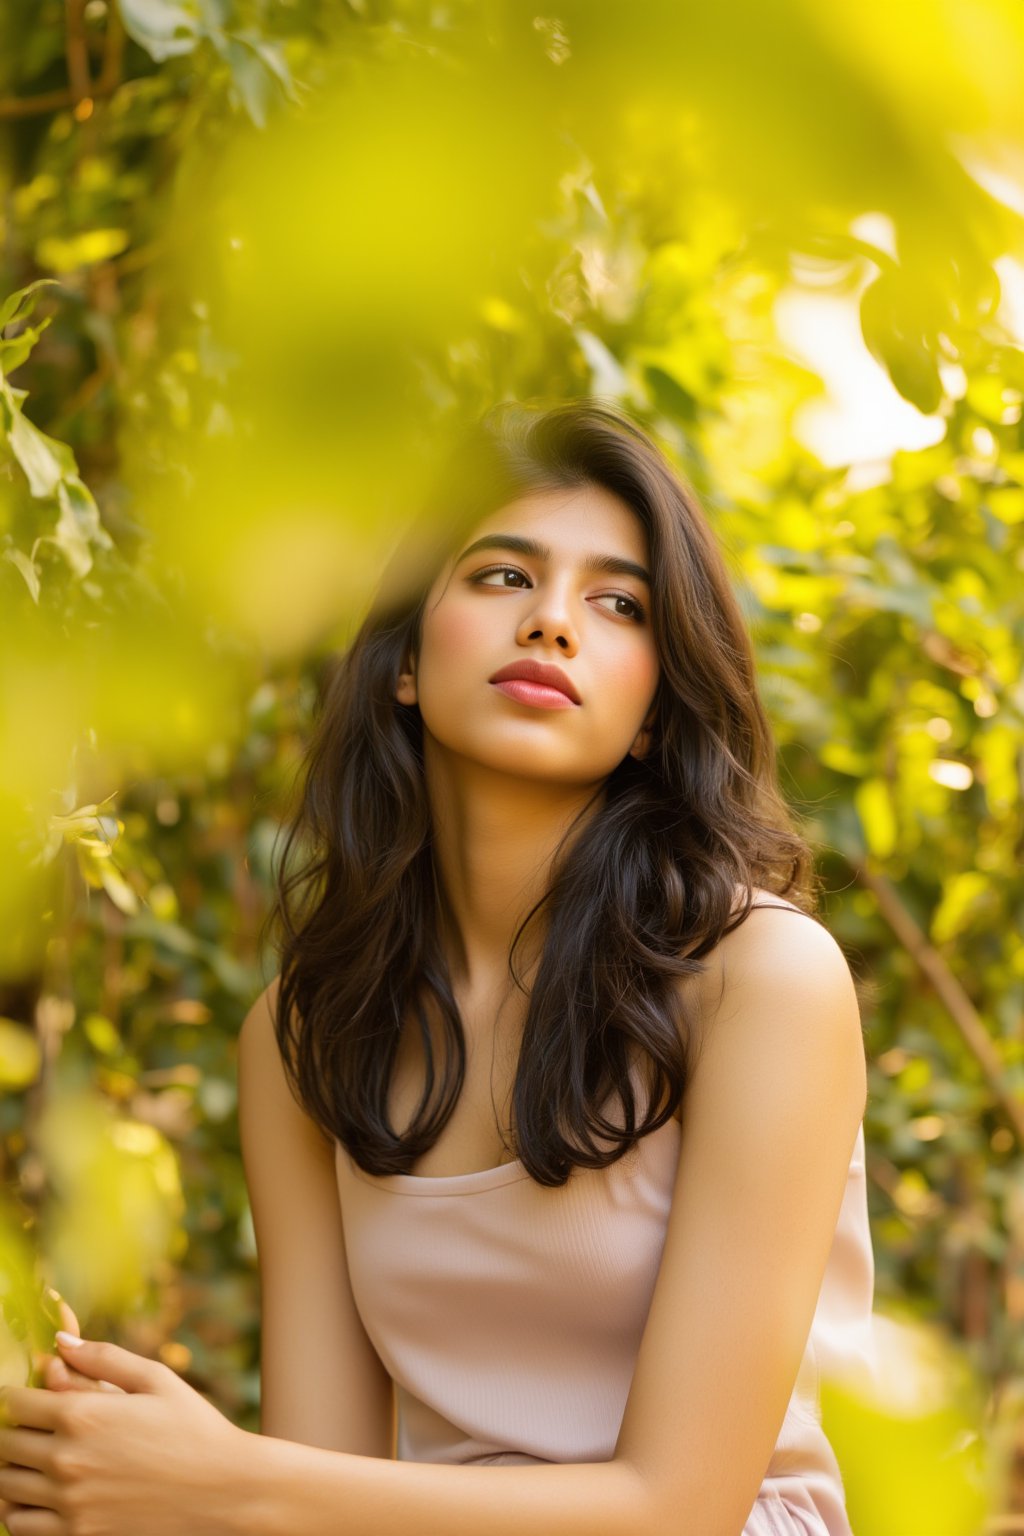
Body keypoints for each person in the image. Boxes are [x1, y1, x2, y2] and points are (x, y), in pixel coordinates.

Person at [0, 398, 877, 1536]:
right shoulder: (301, 1036)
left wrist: (212, 1480)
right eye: (502, 576)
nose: (553, 622)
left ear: (655, 715)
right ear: (406, 658)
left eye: (617, 603)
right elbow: (315, 1485)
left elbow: (681, 1507)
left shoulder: (760, 978)